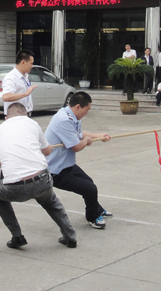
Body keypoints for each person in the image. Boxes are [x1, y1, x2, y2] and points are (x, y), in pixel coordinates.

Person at [0, 103, 77, 249]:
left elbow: (1, 165)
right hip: (42, 180)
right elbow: (47, 151)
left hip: (14, 187)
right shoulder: (32, 123)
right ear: (26, 114)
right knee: (52, 203)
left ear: (6, 118)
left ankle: (17, 236)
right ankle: (70, 238)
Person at [45, 91, 112, 229]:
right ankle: (93, 217)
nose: (86, 113)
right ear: (77, 107)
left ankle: (96, 209)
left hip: (66, 165)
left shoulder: (72, 116)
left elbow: (79, 134)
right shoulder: (63, 120)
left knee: (89, 182)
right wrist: (87, 141)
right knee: (90, 189)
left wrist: (98, 135)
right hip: (55, 170)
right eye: (86, 110)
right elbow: (76, 146)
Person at [2, 49, 36, 115]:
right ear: (23, 62)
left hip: (25, 113)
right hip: (15, 115)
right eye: (31, 63)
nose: (32, 66)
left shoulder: (26, 75)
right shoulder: (11, 77)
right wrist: (25, 94)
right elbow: (6, 97)